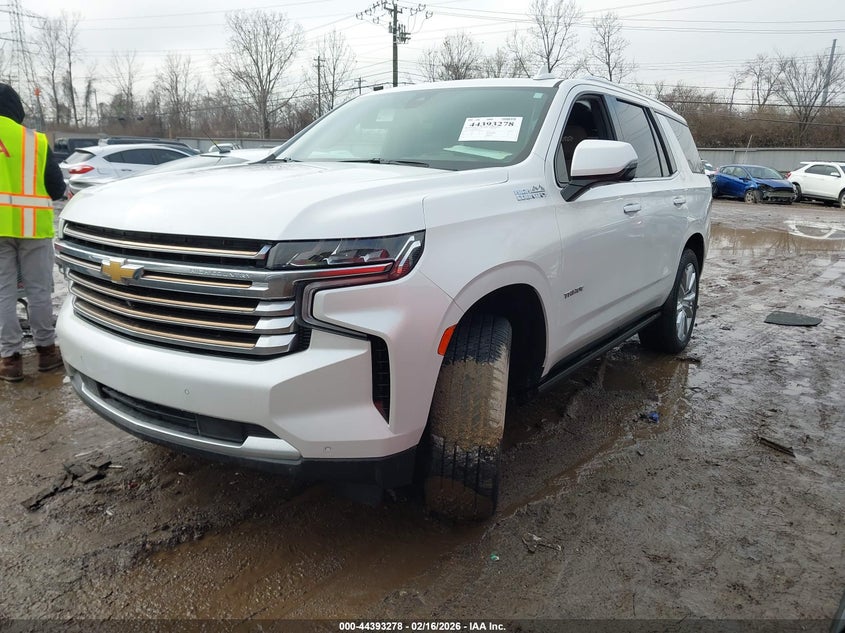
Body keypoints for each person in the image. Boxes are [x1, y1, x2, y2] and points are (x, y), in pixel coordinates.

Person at [0, 83, 67, 382]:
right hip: (33, 228)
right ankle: (46, 352)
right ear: (17, 109)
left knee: (2, 294)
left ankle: (10, 359)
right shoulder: (35, 141)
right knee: (39, 292)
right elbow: (55, 189)